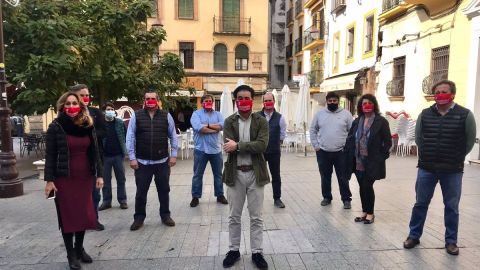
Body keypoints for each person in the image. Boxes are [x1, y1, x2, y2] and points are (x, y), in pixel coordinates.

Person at [403, 80, 476, 255]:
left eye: (444, 91)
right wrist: (427, 154)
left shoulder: (465, 115)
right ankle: (414, 235)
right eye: (437, 92)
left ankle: (451, 242)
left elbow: (469, 141)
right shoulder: (425, 114)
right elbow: (419, 139)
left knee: (451, 206)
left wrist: (457, 157)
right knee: (420, 203)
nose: (440, 95)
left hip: (452, 170)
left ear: (452, 94)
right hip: (427, 168)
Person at [44, 92, 104, 270]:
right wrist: (49, 180)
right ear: (62, 106)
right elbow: (50, 155)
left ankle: (79, 249)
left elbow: (95, 152)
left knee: (83, 214)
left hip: (84, 177)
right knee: (68, 216)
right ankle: (71, 254)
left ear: (80, 105)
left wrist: (100, 175)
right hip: (63, 179)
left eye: (74, 103)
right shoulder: (56, 126)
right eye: (68, 103)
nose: (71, 106)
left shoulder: (87, 124)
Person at [222, 85, 270, 270]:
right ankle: (233, 250)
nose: (243, 101)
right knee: (234, 216)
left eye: (247, 97)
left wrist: (239, 146)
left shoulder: (261, 121)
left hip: (255, 172)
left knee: (256, 216)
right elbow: (228, 146)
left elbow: (262, 145)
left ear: (252, 100)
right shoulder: (229, 121)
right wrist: (242, 145)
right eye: (240, 98)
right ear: (236, 101)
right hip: (235, 173)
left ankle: (257, 252)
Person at [126, 90, 177, 230]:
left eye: (153, 98)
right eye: (147, 98)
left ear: (158, 100)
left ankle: (165, 216)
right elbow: (130, 137)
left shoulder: (167, 116)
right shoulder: (136, 116)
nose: (150, 101)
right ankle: (139, 218)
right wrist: (132, 158)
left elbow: (173, 136)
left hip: (162, 162)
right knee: (141, 193)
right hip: (142, 162)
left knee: (164, 191)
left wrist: (173, 155)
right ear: (144, 100)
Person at [345, 94, 392, 224]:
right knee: (362, 186)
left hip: (372, 161)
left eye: (369, 103)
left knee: (367, 185)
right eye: (364, 103)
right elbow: (350, 138)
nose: (367, 105)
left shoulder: (381, 121)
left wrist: (381, 156)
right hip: (358, 160)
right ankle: (364, 211)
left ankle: (370, 213)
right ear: (360, 106)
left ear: (374, 105)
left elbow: (387, 141)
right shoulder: (357, 121)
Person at [69, 84, 106, 231]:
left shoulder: (95, 113)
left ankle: (94, 220)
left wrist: (90, 133)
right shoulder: (68, 115)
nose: (86, 98)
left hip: (93, 159)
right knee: (77, 195)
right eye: (82, 95)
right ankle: (78, 222)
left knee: (94, 193)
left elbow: (104, 131)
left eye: (87, 95)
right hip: (75, 161)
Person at [310, 92, 353, 209]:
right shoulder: (319, 114)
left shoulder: (346, 114)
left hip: (341, 152)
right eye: (330, 101)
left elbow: (352, 132)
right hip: (323, 151)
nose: (332, 103)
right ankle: (327, 197)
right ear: (327, 101)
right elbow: (312, 130)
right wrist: (316, 145)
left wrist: (348, 147)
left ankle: (346, 199)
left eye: (334, 101)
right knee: (325, 176)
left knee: (343, 177)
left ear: (338, 101)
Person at [189, 94, 228, 207]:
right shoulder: (196, 114)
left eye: (210, 101)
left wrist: (208, 126)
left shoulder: (218, 114)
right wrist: (214, 129)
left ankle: (220, 195)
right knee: (197, 175)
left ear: (213, 102)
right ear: (202, 103)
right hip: (201, 149)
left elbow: (223, 125)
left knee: (218, 174)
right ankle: (195, 197)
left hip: (216, 150)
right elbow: (199, 128)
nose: (208, 102)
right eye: (206, 101)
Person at [257, 92, 287, 208]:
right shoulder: (257, 116)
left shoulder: (280, 117)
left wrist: (274, 144)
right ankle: (257, 199)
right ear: (263, 102)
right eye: (266, 101)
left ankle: (277, 199)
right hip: (260, 151)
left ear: (274, 101)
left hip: (274, 152)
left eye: (270, 100)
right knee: (258, 176)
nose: (268, 103)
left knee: (276, 176)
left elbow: (282, 134)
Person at [98, 102, 128, 211]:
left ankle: (123, 200)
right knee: (105, 180)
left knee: (121, 179)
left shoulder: (119, 123)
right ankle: (106, 201)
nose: (110, 111)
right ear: (104, 111)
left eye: (111, 109)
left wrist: (125, 151)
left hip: (118, 156)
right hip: (105, 157)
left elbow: (125, 136)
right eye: (107, 109)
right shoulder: (100, 124)